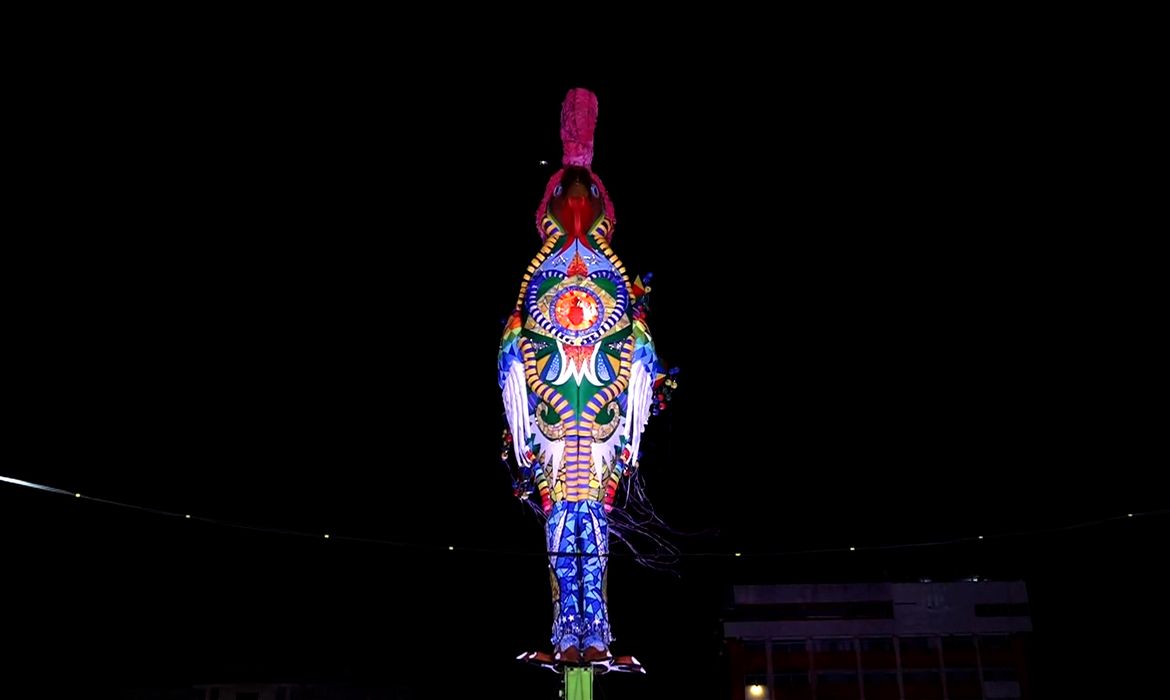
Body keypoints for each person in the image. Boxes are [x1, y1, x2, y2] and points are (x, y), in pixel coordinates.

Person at [498, 88, 667, 664]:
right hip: (559, 429)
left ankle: (594, 640)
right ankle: (565, 639)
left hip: (593, 428)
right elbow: (515, 353)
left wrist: (642, 362)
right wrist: (513, 362)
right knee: (561, 538)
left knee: (590, 538)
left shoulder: (604, 279)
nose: (576, 202)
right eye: (567, 193)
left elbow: (637, 352)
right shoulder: (549, 277)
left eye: (584, 193)